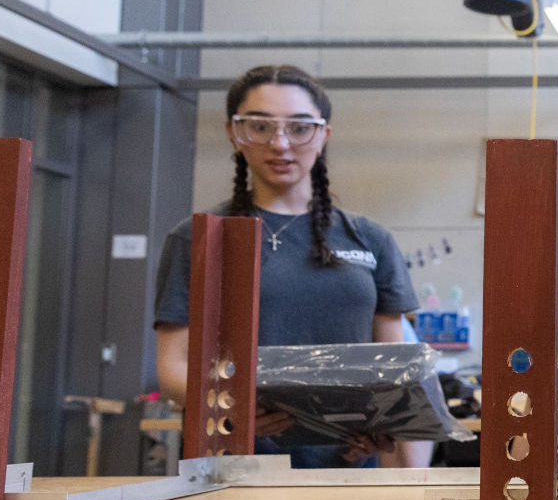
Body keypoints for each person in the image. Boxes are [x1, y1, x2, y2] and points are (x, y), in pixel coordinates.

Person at [154, 65, 423, 468]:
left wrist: (385, 426)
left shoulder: (369, 239)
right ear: (234, 133)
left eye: (299, 128)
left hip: (348, 470)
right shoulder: (198, 239)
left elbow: (394, 366)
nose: (280, 144)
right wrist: (234, 406)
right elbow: (173, 365)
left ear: (323, 136)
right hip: (233, 467)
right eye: (259, 127)